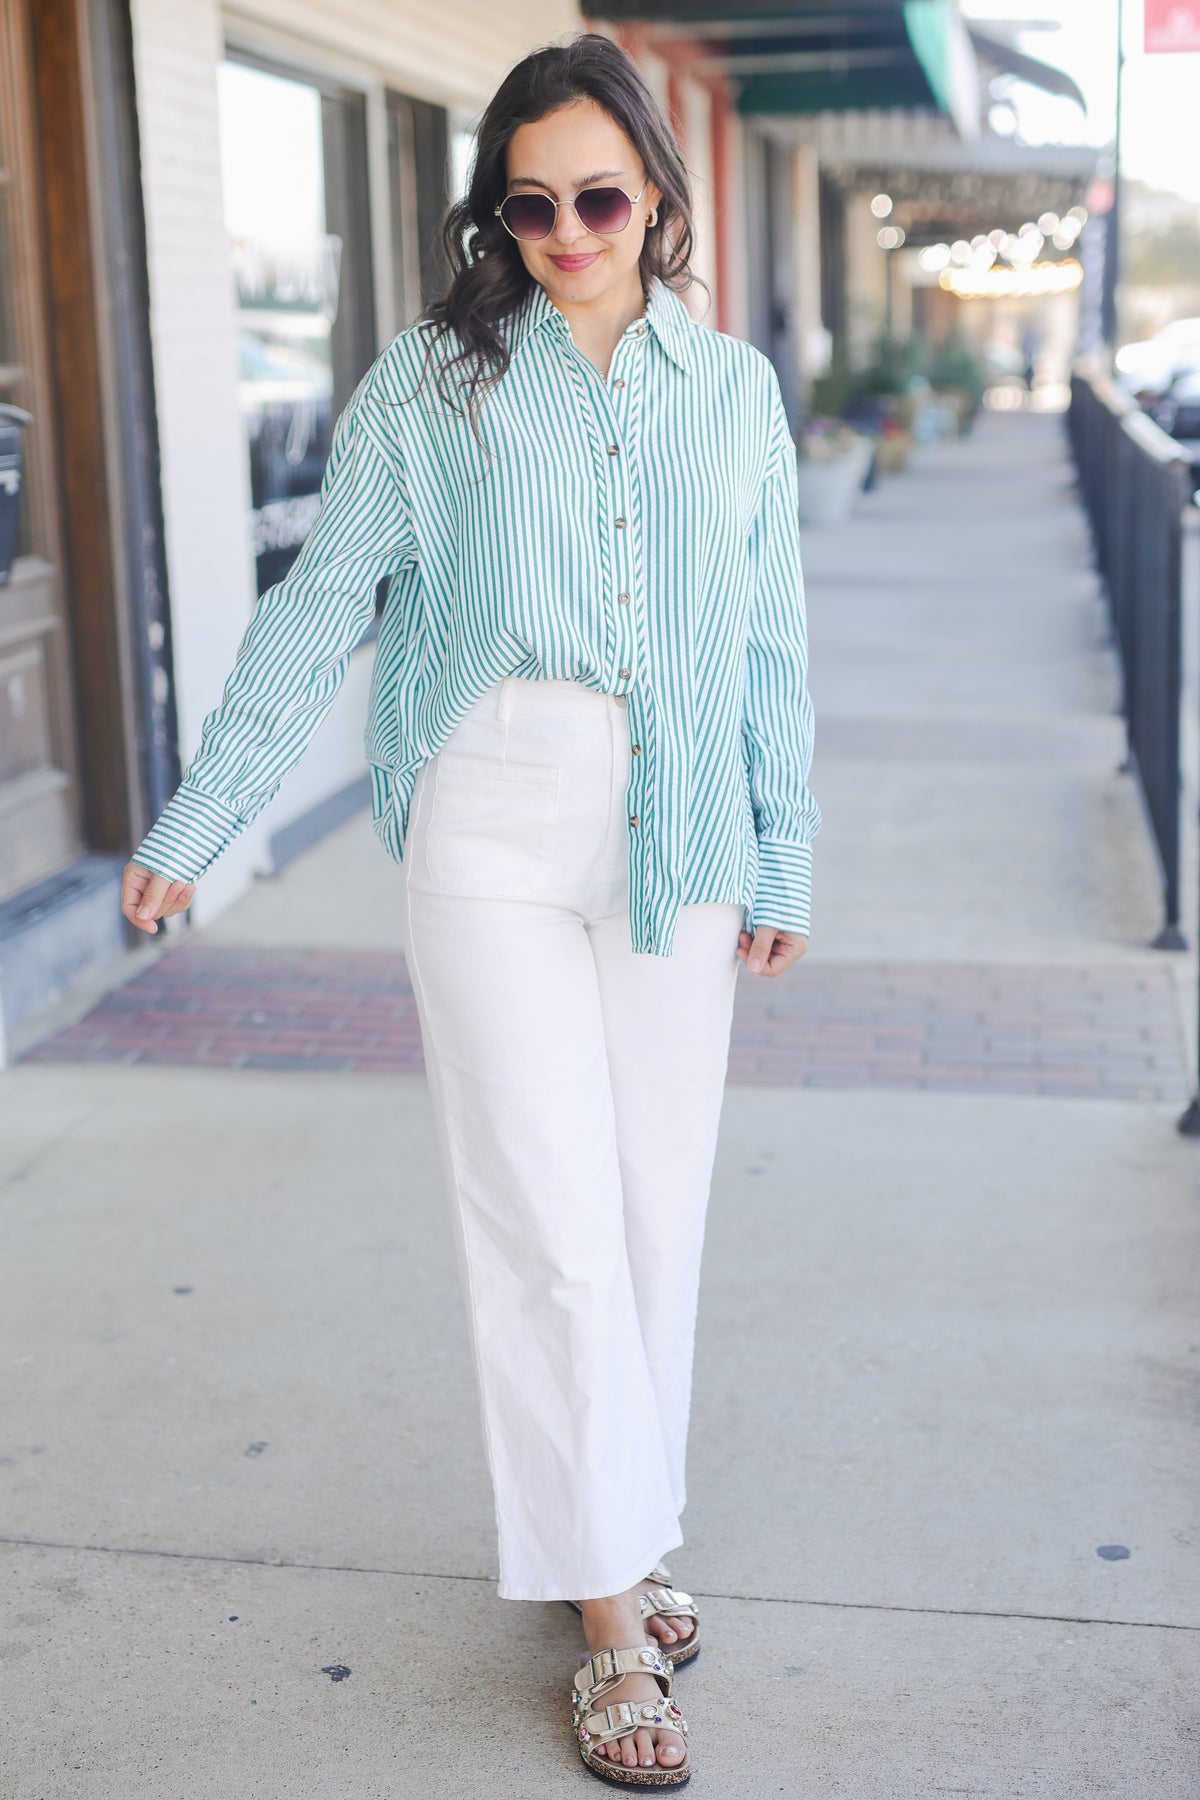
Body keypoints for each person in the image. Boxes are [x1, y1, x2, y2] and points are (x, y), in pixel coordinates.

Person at [121, 32, 820, 1790]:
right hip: (497, 816)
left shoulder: (729, 392)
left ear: (658, 190)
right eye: (533, 204)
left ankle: (625, 1530)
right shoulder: (431, 390)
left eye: (600, 194)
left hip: (686, 826)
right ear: (494, 219)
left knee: (654, 1214)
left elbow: (767, 642)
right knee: (548, 1217)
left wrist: (787, 849)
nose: (570, 229)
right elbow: (317, 608)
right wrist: (206, 817)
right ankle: (605, 1622)